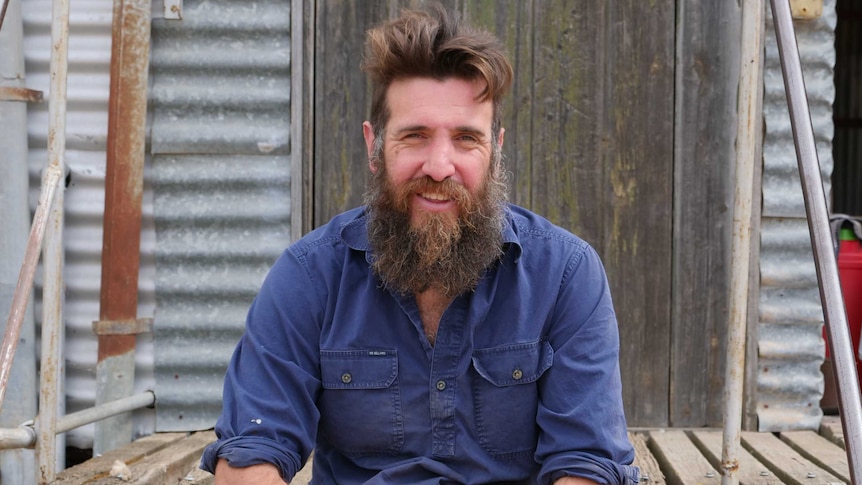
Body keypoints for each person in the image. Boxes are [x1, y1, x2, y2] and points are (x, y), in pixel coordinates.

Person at [201, 4, 639, 484]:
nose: (439, 166)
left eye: (466, 139)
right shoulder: (308, 276)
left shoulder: (566, 274)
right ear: (375, 146)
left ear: (495, 151)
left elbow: (586, 462)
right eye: (415, 136)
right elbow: (253, 449)